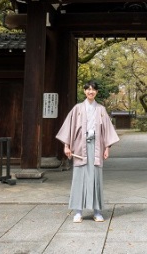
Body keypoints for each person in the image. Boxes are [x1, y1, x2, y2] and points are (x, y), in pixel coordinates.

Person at [56, 80, 120, 223]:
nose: (91, 92)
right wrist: (66, 146)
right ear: (84, 91)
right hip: (80, 147)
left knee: (96, 178)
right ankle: (78, 212)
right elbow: (69, 128)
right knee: (79, 178)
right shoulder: (77, 108)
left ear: (96, 92)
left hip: (96, 147)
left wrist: (107, 148)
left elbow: (107, 130)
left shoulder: (101, 109)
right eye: (88, 89)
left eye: (93, 89)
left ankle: (97, 211)